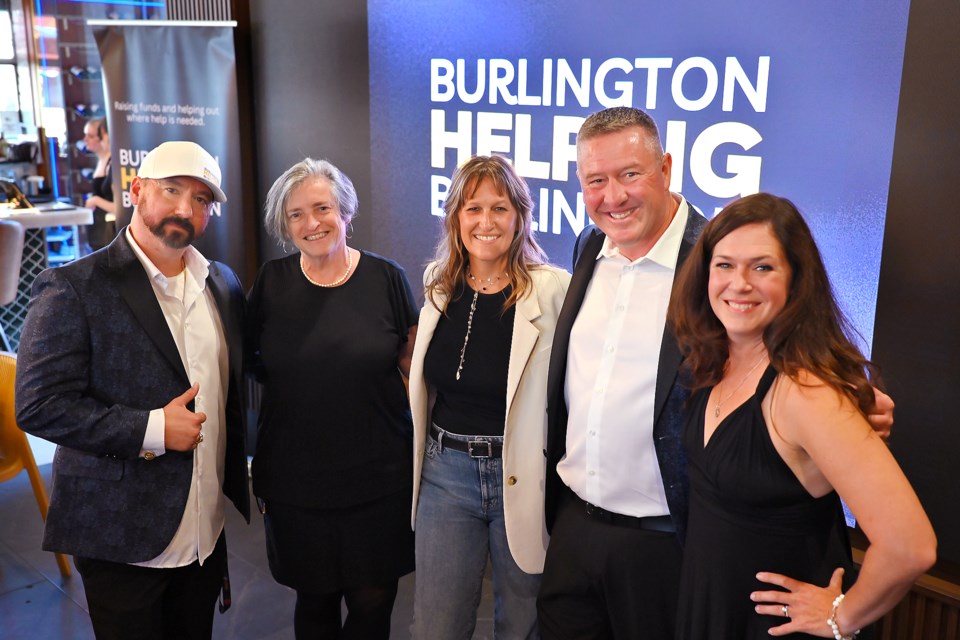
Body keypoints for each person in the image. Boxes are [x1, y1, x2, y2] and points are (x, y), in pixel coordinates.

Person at [537, 107, 896, 639]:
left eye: (630, 175)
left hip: (670, 543)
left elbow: (795, 340)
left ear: (666, 167)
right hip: (574, 530)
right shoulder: (591, 245)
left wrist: (849, 400)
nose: (613, 197)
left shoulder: (720, 257)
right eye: (596, 181)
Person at [667, 193, 935, 639]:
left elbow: (911, 546)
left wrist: (841, 617)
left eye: (763, 267)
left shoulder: (806, 392)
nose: (740, 283)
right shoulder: (712, 362)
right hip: (710, 605)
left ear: (797, 280)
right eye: (725, 265)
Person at [15, 140, 250, 640]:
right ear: (137, 190)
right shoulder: (73, 287)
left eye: (202, 199)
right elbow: (38, 405)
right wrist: (152, 428)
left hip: (204, 531)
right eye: (171, 190)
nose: (186, 209)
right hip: (119, 533)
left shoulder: (222, 283)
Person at [247, 158, 417, 639]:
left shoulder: (386, 278)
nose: (311, 223)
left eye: (322, 207)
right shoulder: (271, 283)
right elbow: (253, 364)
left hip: (379, 475)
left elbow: (412, 368)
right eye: (296, 214)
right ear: (285, 224)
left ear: (345, 211)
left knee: (373, 599)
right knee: (315, 598)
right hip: (296, 479)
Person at [409, 155, 571, 639]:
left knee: (522, 623)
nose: (485, 222)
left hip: (521, 473)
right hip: (446, 474)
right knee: (436, 626)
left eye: (499, 208)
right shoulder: (438, 283)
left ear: (520, 216)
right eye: (472, 208)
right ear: (455, 217)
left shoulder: (552, 289)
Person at [82, 117, 117, 250]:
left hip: (108, 234)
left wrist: (95, 200)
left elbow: (120, 207)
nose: (85, 140)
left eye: (90, 136)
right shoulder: (101, 162)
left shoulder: (113, 164)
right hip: (99, 232)